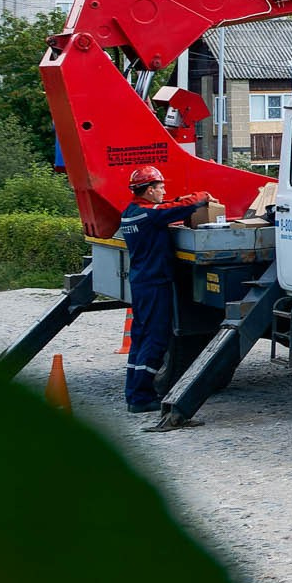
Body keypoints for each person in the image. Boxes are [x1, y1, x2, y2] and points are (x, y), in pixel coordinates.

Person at [119, 167, 202, 413]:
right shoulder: (148, 215)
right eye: (161, 187)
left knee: (140, 339)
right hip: (155, 284)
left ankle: (133, 393)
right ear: (150, 190)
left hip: (142, 283)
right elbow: (174, 209)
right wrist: (201, 198)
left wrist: (174, 202)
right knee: (156, 339)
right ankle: (143, 397)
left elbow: (164, 208)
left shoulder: (130, 213)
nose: (163, 191)